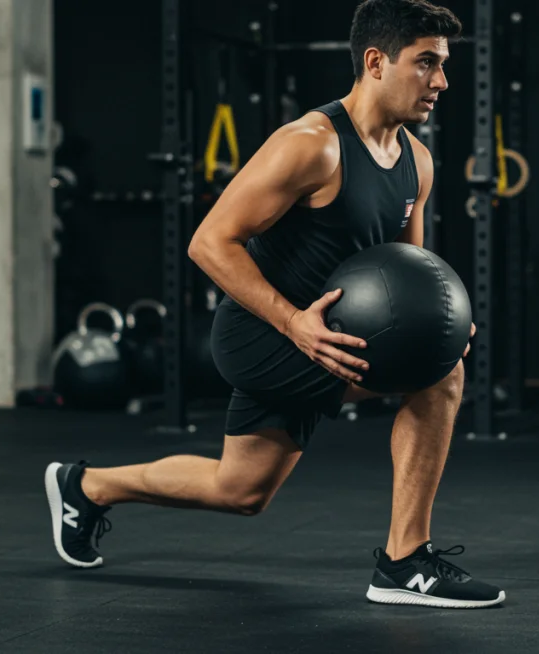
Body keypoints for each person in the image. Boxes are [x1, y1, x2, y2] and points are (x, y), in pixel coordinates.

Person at [44, 0, 505, 609]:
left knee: (240, 490)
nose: (441, 82)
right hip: (265, 336)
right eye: (426, 64)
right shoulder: (311, 145)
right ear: (375, 61)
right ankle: (403, 563)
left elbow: (411, 273)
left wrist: (438, 328)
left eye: (444, 66)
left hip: (333, 336)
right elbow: (209, 243)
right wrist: (295, 324)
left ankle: (85, 486)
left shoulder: (417, 162)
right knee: (444, 380)